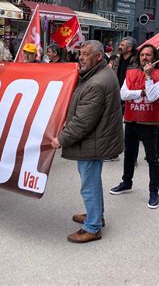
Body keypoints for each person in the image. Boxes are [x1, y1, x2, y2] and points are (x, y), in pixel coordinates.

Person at [51, 40, 123, 243]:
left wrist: (61, 139)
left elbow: (83, 122)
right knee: (92, 181)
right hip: (97, 139)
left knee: (89, 185)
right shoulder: (98, 74)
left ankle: (92, 227)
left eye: (86, 54)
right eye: (80, 53)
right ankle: (96, 216)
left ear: (99, 57)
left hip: (93, 141)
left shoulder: (97, 82)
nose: (81, 58)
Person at [110, 44, 159, 209]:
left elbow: (153, 97)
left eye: (148, 55)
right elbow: (123, 94)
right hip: (131, 119)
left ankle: (154, 191)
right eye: (142, 55)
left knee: (152, 158)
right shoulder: (131, 73)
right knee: (129, 154)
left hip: (149, 122)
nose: (145, 58)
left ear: (155, 57)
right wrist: (140, 93)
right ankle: (126, 182)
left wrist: (148, 78)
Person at [109, 36, 138, 162]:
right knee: (114, 126)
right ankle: (114, 153)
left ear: (129, 48)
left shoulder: (137, 62)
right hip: (117, 96)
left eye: (122, 44)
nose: (119, 46)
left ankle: (132, 157)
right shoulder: (117, 59)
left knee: (132, 128)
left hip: (130, 98)